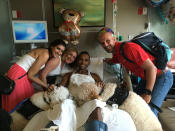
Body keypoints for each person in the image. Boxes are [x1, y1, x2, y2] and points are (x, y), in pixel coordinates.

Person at [97, 27, 173, 116]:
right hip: (147, 78)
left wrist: (147, 93)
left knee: (149, 112)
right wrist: (108, 61)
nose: (105, 45)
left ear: (114, 39)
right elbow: (115, 60)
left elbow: (152, 69)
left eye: (108, 41)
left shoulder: (128, 48)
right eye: (102, 43)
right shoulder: (117, 53)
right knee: (132, 103)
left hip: (161, 77)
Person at [1, 39, 66, 113]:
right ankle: (10, 120)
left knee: (28, 95)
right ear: (52, 46)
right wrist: (47, 86)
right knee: (18, 100)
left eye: (62, 51)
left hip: (19, 71)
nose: (59, 52)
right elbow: (30, 75)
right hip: (20, 73)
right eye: (58, 48)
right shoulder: (45, 54)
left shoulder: (45, 52)